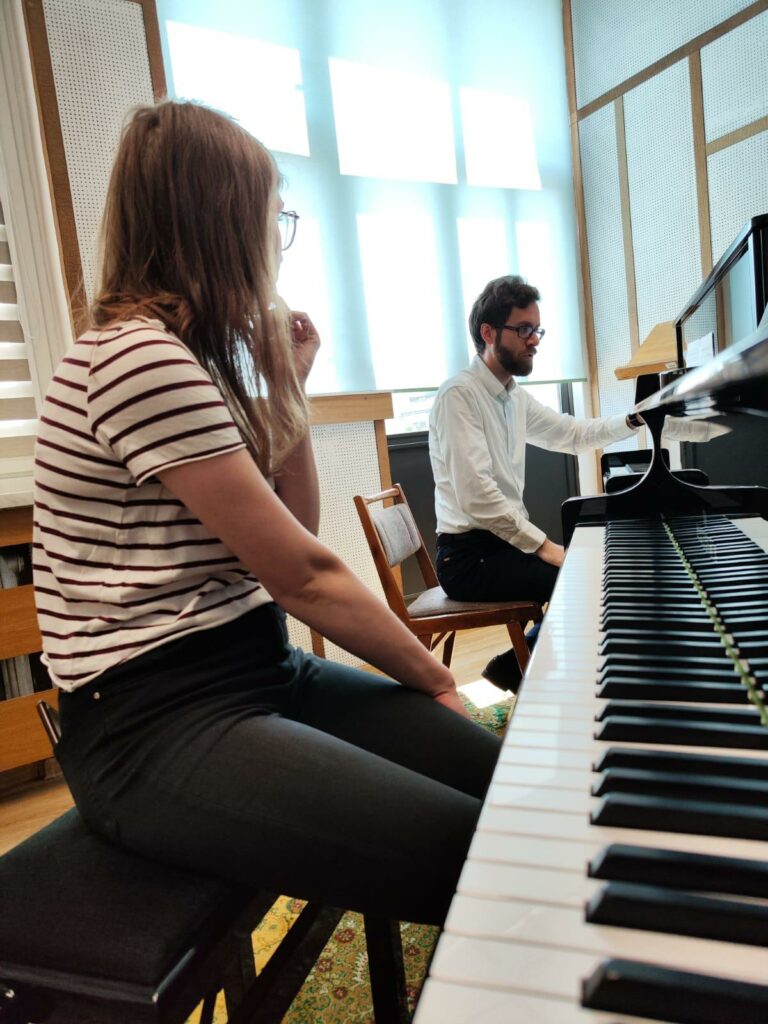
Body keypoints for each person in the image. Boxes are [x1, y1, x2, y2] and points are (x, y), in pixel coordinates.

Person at [32, 100, 501, 928]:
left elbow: (295, 531)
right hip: (152, 723)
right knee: (479, 852)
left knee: (501, 786)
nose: (274, 239)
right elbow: (306, 576)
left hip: (255, 669)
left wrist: (287, 381)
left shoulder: (179, 358)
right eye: (271, 213)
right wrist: (434, 677)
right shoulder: (137, 360)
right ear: (220, 222)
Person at [428, 274, 710, 691]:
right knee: (585, 575)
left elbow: (572, 434)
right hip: (468, 560)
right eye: (524, 329)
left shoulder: (511, 397)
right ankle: (532, 669)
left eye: (537, 329)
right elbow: (477, 497)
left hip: (498, 549)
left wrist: (633, 418)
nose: (534, 339)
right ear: (489, 333)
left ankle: (520, 663)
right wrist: (545, 547)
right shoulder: (460, 396)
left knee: (590, 569)